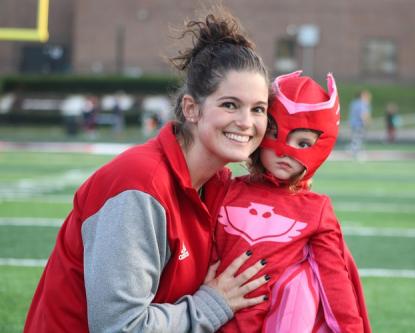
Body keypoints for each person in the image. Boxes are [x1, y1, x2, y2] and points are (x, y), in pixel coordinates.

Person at [24, 9, 272, 333]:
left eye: (258, 109)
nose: (246, 122)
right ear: (191, 109)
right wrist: (214, 304)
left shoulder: (216, 184)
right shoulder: (140, 186)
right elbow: (120, 327)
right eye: (229, 104)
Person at [214, 71, 371, 332]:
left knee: (302, 280)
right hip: (212, 318)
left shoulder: (315, 208)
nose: (286, 152)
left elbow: (335, 282)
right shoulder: (224, 187)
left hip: (271, 324)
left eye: (303, 142)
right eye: (276, 133)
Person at [348, 90, 372, 159]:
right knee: (359, 138)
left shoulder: (354, 103)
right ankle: (355, 152)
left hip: (353, 123)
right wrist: (367, 122)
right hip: (359, 124)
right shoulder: (363, 104)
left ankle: (353, 150)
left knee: (355, 138)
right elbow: (363, 114)